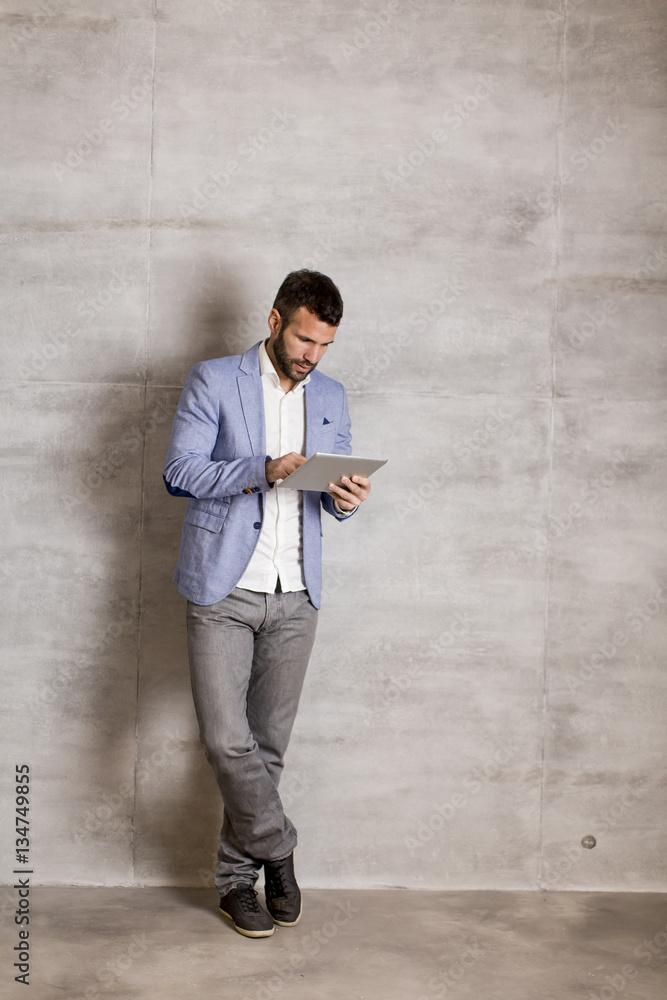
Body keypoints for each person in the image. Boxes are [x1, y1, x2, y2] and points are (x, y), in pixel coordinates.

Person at [163, 270, 371, 938]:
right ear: (276, 319)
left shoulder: (332, 395)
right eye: (304, 339)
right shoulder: (214, 379)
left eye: (324, 345)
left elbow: (333, 492)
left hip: (297, 590)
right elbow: (180, 472)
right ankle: (278, 848)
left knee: (268, 746)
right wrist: (262, 468)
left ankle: (236, 883)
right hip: (224, 586)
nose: (311, 355)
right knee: (228, 741)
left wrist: (345, 499)